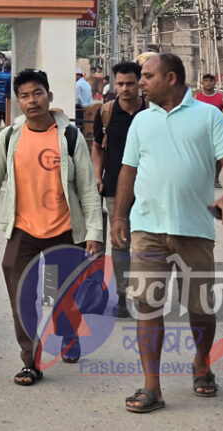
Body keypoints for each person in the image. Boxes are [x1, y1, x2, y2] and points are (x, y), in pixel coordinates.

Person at [111, 53, 223, 414]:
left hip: (194, 229)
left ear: (171, 78)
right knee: (147, 305)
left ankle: (202, 362)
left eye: (147, 76)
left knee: (199, 306)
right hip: (147, 229)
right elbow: (128, 170)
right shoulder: (142, 120)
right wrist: (119, 216)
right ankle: (151, 386)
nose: (141, 82)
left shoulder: (209, 116)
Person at [0, 69, 102, 385]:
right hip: (23, 229)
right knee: (23, 296)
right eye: (25, 96)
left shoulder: (69, 136)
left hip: (64, 229)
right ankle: (32, 360)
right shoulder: (10, 137)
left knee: (62, 294)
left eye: (37, 93)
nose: (32, 100)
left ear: (49, 96)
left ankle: (69, 333)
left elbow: (87, 188)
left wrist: (94, 232)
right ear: (18, 101)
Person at [90, 60, 146, 318]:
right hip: (114, 187)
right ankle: (122, 297)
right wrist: (97, 175)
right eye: (120, 83)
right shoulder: (107, 112)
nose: (124, 88)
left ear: (139, 83)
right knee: (120, 242)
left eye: (130, 83)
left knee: (146, 244)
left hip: (149, 190)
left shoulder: (151, 112)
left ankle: (146, 294)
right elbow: (97, 147)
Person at [195, 73, 223, 188]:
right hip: (201, 131)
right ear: (202, 83)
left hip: (217, 131)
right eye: (206, 80)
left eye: (211, 81)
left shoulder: (221, 97)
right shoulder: (197, 97)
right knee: (201, 156)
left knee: (219, 156)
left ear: (214, 83)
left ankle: (215, 178)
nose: (208, 83)